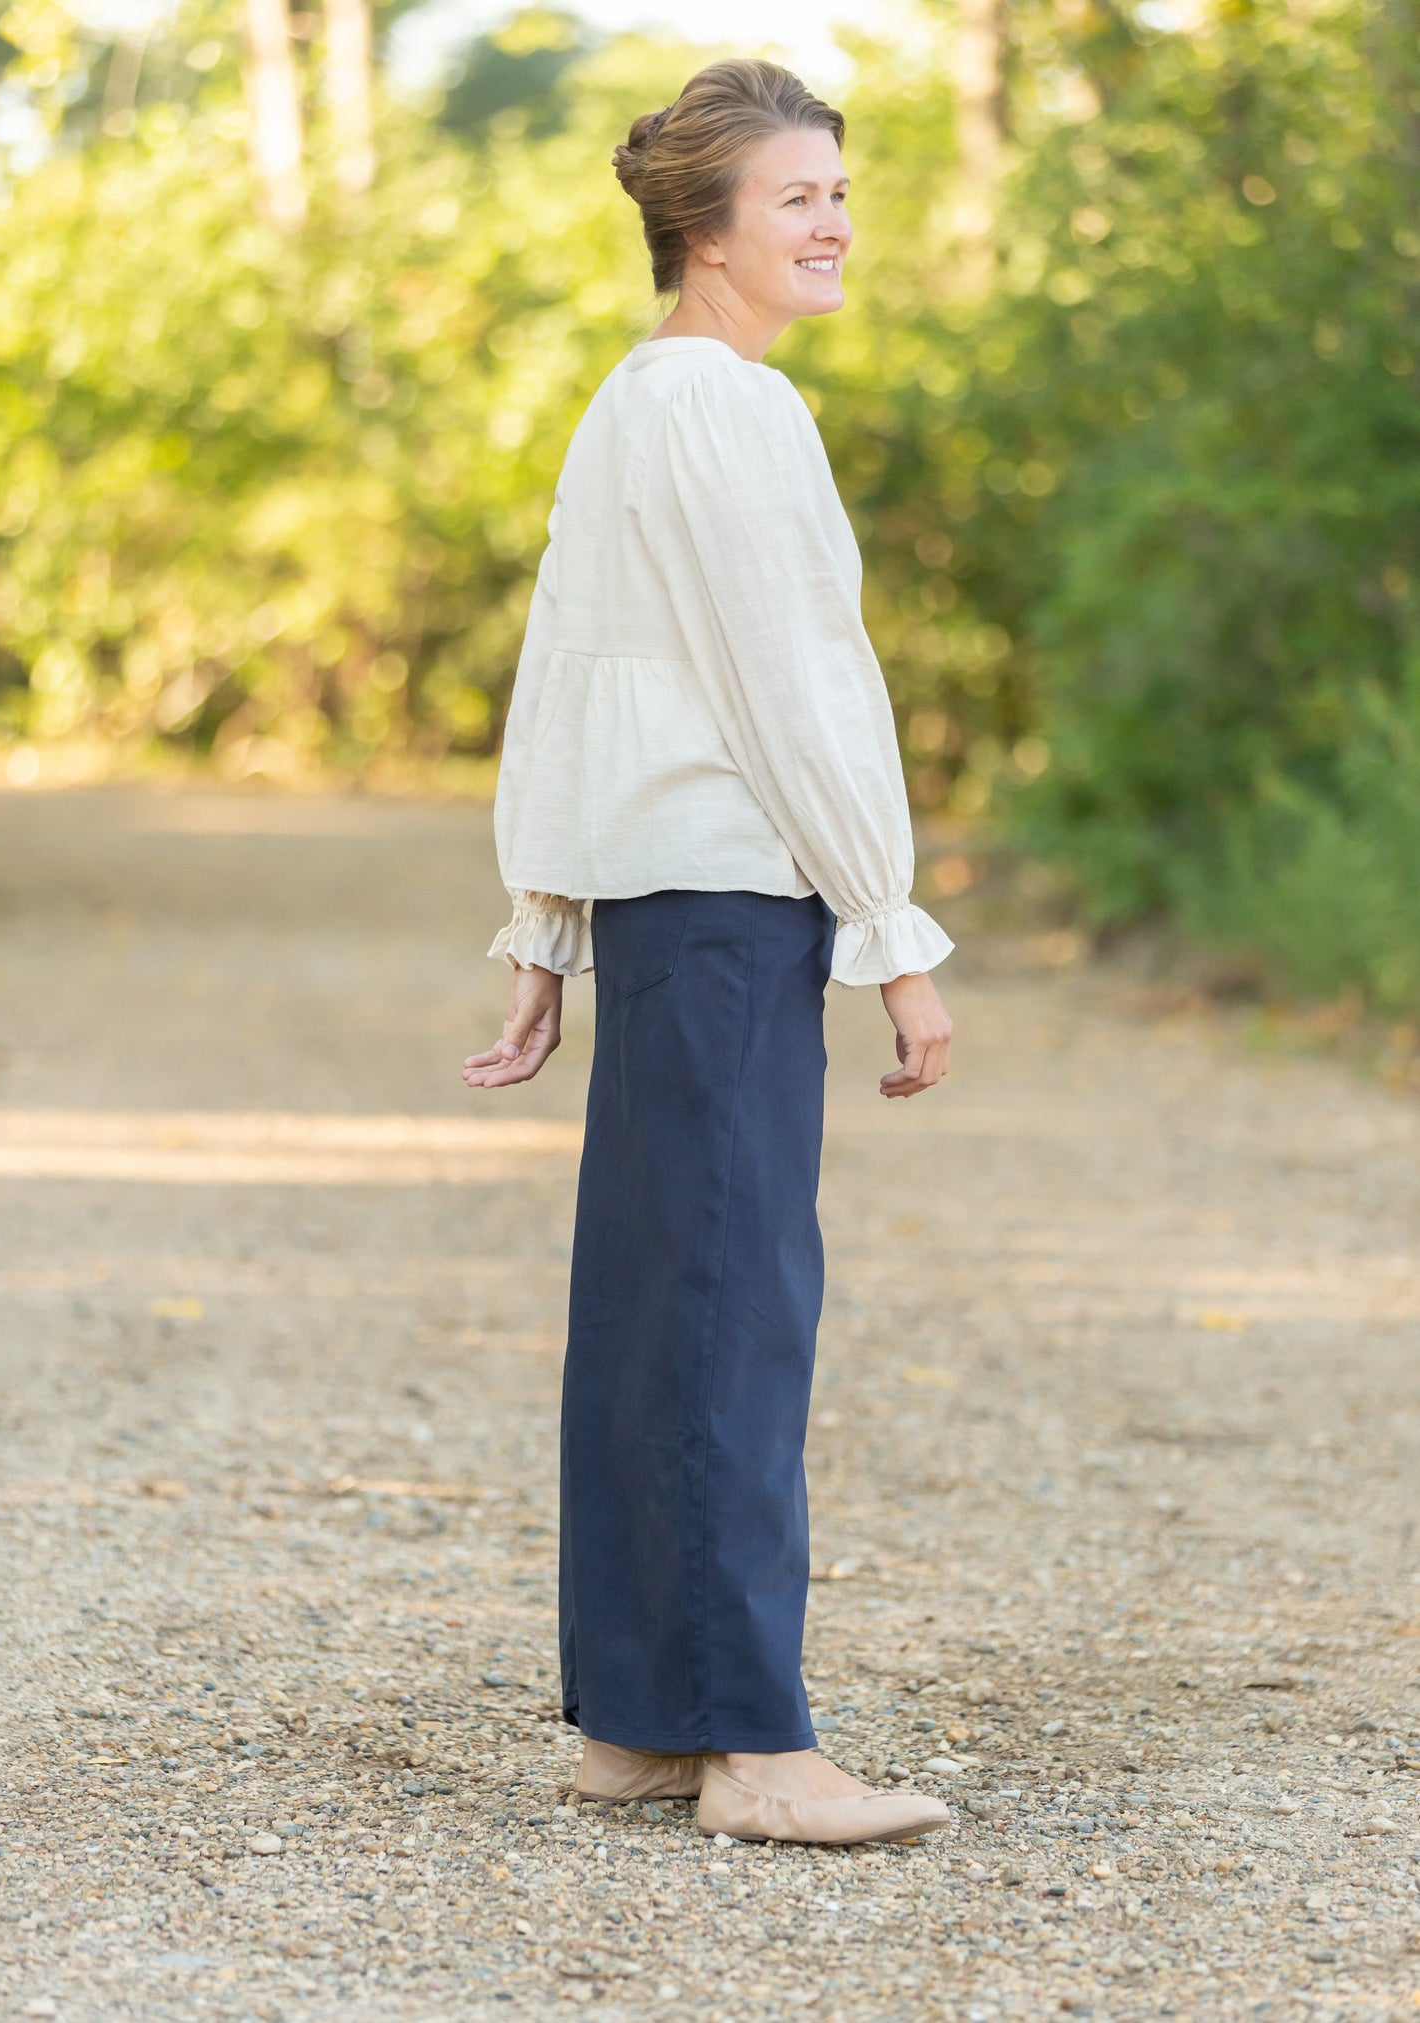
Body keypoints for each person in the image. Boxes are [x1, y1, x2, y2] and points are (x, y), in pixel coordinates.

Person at [463, 56, 955, 1847]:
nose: (833, 222)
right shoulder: (727, 413)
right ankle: (753, 1747)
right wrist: (889, 931)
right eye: (799, 197)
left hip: (679, 912)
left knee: (666, 1303)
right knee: (731, 1310)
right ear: (706, 229)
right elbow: (791, 696)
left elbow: (568, 676)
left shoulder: (635, 403)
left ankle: (643, 1725)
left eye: (839, 191)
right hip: (738, 907)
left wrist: (547, 919)